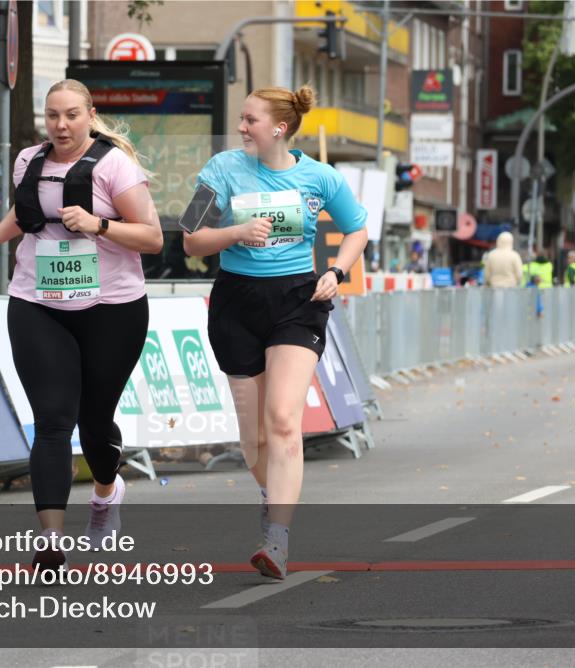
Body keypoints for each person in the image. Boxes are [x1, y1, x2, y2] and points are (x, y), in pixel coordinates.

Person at [0, 79, 163, 574]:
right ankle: (51, 541)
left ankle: (105, 494)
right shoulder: (28, 161)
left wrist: (98, 224)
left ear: (90, 114)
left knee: (95, 425)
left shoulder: (115, 164)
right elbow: (26, 211)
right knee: (53, 420)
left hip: (111, 307)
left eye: (72, 115)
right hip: (38, 301)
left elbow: (153, 238)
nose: (61, 125)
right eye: (53, 115)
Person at [183, 85, 368, 579]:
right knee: (253, 439)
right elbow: (190, 237)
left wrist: (337, 271)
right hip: (236, 301)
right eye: (241, 120)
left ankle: (277, 540)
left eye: (250, 120)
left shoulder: (320, 177)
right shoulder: (221, 169)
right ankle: (272, 496)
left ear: (279, 128)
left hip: (297, 302)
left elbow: (357, 229)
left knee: (284, 418)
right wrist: (235, 233)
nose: (241, 128)